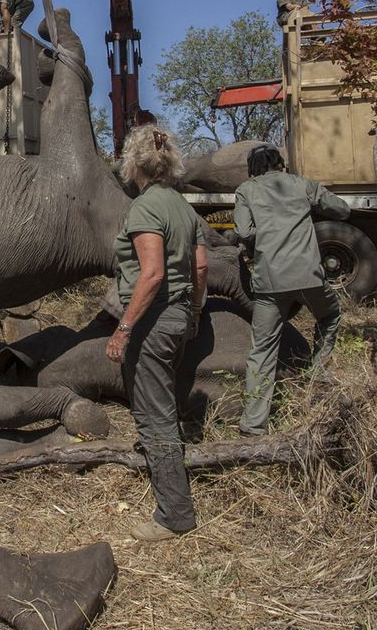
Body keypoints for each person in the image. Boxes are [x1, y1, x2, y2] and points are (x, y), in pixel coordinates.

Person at [106, 125, 208, 543]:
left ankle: (175, 514)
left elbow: (152, 273)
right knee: (161, 403)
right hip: (180, 314)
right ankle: (164, 473)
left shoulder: (145, 208)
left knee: (156, 412)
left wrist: (123, 329)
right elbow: (201, 268)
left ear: (134, 165)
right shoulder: (184, 208)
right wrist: (196, 312)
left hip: (153, 320)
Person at [234, 145, 350, 436]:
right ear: (280, 164)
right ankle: (317, 377)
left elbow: (245, 232)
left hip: (270, 281)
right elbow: (341, 209)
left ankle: (253, 425)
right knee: (330, 316)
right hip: (310, 277)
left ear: (253, 168)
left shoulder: (246, 190)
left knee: (262, 349)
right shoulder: (302, 184)